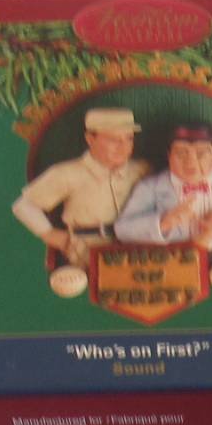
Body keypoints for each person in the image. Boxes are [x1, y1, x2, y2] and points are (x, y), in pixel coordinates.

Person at [114, 122, 212, 290]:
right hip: (170, 264)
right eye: (181, 153)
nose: (190, 162)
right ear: (169, 156)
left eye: (201, 154)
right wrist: (163, 223)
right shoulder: (150, 187)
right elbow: (122, 230)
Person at [12, 107, 150, 299]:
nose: (123, 146)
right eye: (113, 139)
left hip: (137, 254)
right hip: (86, 253)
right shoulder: (68, 173)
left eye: (129, 139)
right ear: (90, 139)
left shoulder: (141, 170)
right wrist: (51, 235)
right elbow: (24, 206)